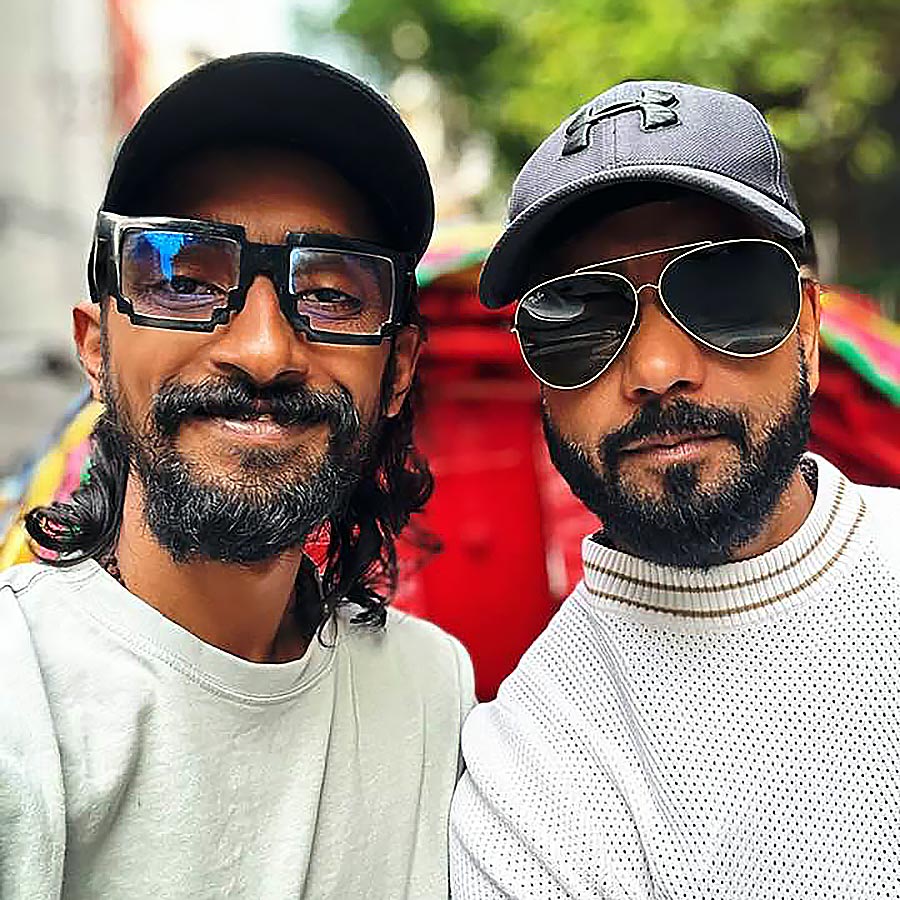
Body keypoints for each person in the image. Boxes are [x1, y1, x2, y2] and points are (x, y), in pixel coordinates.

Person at [0, 53, 474, 899]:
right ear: (96, 347)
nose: (262, 351)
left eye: (331, 295)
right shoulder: (21, 695)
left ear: (397, 370)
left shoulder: (432, 692)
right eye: (183, 280)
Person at [451, 80, 900, 898]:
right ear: (535, 374)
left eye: (726, 291)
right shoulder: (525, 768)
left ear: (808, 325)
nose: (658, 372)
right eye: (579, 314)